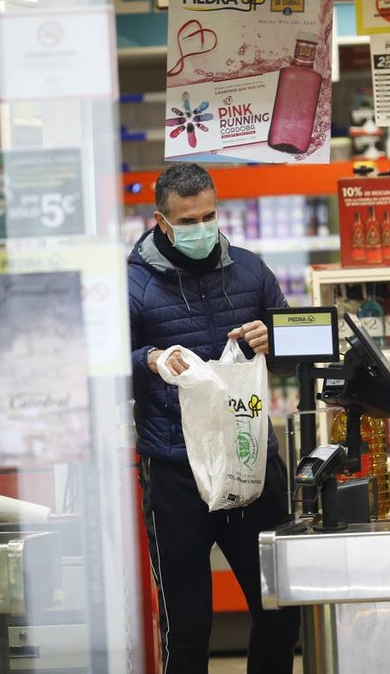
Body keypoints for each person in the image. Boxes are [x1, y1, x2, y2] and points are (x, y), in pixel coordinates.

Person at [127, 162, 300, 674]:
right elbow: (101, 363)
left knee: (278, 607)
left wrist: (279, 339)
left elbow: (296, 346)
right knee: (188, 624)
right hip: (176, 471)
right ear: (162, 221)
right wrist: (150, 359)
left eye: (210, 216)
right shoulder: (132, 284)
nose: (203, 229)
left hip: (250, 461)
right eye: (189, 221)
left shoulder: (250, 270)